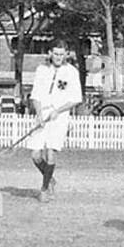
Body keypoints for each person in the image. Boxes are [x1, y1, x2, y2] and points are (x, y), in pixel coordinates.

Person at [28, 41, 83, 203]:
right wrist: (39, 114)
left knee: (51, 152)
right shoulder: (41, 70)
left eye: (62, 54)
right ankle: (50, 178)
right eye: (56, 54)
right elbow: (35, 95)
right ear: (50, 53)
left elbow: (76, 99)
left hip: (60, 116)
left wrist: (57, 111)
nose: (58, 57)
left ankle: (44, 189)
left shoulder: (71, 72)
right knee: (35, 155)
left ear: (66, 54)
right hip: (42, 114)